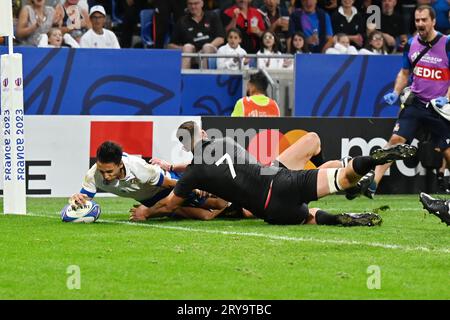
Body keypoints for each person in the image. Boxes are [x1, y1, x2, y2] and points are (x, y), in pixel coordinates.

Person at [130, 120, 416, 226]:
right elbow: (211, 166)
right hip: (278, 179)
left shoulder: (194, 174)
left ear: (185, 147)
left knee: (307, 215)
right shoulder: (224, 141)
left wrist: (146, 212)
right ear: (204, 134)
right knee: (338, 175)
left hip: (270, 207)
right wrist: (172, 167)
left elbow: (171, 202)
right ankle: (367, 164)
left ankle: (345, 217)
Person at [349, 5, 450, 200]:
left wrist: (446, 98)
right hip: (415, 104)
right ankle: (373, 183)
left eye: (424, 20)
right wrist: (396, 92)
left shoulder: (446, 44)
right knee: (395, 142)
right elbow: (405, 73)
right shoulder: (411, 44)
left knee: (447, 152)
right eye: (417, 20)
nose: (420, 24)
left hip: (439, 109)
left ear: (433, 21)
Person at [69, 141, 229, 221]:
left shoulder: (139, 169)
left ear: (120, 164)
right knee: (196, 215)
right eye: (102, 171)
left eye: (109, 171)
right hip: (150, 198)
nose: (105, 176)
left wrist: (193, 187)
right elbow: (84, 200)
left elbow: (168, 183)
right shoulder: (94, 174)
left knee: (214, 204)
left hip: (169, 185)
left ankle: (239, 206)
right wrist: (75, 200)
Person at [168, 0, 225, 69]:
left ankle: (204, 78)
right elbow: (170, 45)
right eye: (190, 4)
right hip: (192, 54)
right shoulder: (182, 21)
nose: (193, 6)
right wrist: (184, 48)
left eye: (196, 3)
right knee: (187, 47)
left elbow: (220, 38)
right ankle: (184, 78)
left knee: (206, 47)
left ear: (202, 4)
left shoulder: (212, 16)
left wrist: (205, 49)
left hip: (210, 52)